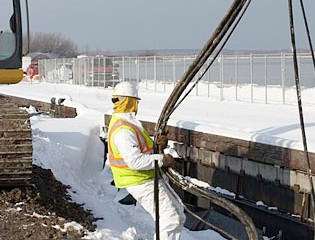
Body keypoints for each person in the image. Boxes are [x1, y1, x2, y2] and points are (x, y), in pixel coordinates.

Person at [107, 81, 185, 240]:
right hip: (139, 180)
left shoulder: (127, 123)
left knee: (177, 214)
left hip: (145, 177)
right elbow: (135, 161)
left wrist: (157, 146)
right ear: (131, 101)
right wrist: (163, 159)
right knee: (171, 219)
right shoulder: (123, 130)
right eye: (135, 101)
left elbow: (140, 149)